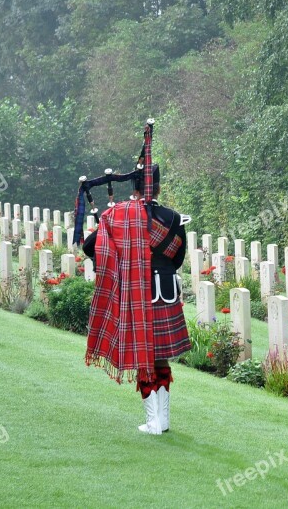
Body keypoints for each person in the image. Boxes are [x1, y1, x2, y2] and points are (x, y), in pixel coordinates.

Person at [83, 164, 191, 435]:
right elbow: (177, 259)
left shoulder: (120, 216)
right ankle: (162, 421)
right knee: (161, 357)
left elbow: (89, 247)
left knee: (145, 357)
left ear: (134, 188)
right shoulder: (174, 217)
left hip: (136, 291)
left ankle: (154, 423)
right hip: (166, 291)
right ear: (158, 187)